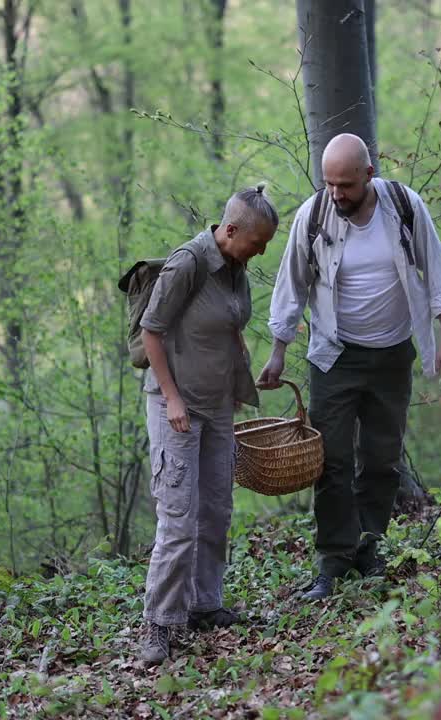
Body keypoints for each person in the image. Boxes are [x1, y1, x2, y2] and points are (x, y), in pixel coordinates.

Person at [258, 133, 441, 600]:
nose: (337, 194)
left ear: (369, 175)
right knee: (329, 460)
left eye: (346, 185)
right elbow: (290, 286)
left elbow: (438, 271)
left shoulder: (404, 206)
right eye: (329, 183)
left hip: (392, 354)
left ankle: (369, 548)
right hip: (334, 356)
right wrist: (277, 351)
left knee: (381, 459)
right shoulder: (313, 215)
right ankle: (332, 562)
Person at [138, 184, 278, 666]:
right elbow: (151, 332)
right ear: (231, 229)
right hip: (176, 408)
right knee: (178, 519)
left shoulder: (237, 270)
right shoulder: (187, 264)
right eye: (258, 242)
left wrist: (243, 366)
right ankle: (158, 624)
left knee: (216, 509)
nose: (262, 251)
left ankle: (203, 605)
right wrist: (172, 398)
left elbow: (229, 322)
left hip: (218, 406)